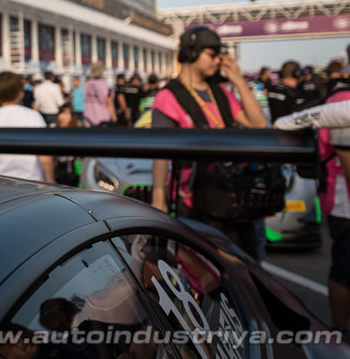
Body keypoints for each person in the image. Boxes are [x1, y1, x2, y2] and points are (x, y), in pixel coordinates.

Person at [150, 26, 268, 259]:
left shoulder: (220, 91)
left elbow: (258, 124)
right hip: (195, 201)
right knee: (206, 269)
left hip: (234, 197)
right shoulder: (168, 96)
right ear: (192, 53)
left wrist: (238, 80)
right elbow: (160, 153)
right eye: (212, 55)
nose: (219, 61)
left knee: (246, 267)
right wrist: (158, 198)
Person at [274, 85, 350, 334]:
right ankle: (340, 330)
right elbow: (346, 154)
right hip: (344, 204)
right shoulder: (343, 99)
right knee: (345, 268)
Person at [0, 71, 54, 182]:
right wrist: (51, 181)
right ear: (20, 92)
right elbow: (45, 156)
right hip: (31, 180)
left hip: (0, 181)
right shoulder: (33, 116)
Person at [82, 62, 115, 128]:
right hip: (102, 118)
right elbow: (109, 102)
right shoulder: (104, 85)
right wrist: (114, 117)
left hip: (87, 117)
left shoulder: (86, 84)